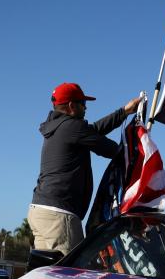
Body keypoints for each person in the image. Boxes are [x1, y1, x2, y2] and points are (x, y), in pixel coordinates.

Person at [28, 82, 142, 255]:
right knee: (70, 274)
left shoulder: (60, 127)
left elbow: (93, 131)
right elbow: (113, 150)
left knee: (47, 273)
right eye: (83, 103)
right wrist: (141, 145)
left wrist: (124, 112)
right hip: (59, 215)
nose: (86, 108)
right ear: (72, 106)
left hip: (41, 211)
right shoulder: (73, 128)